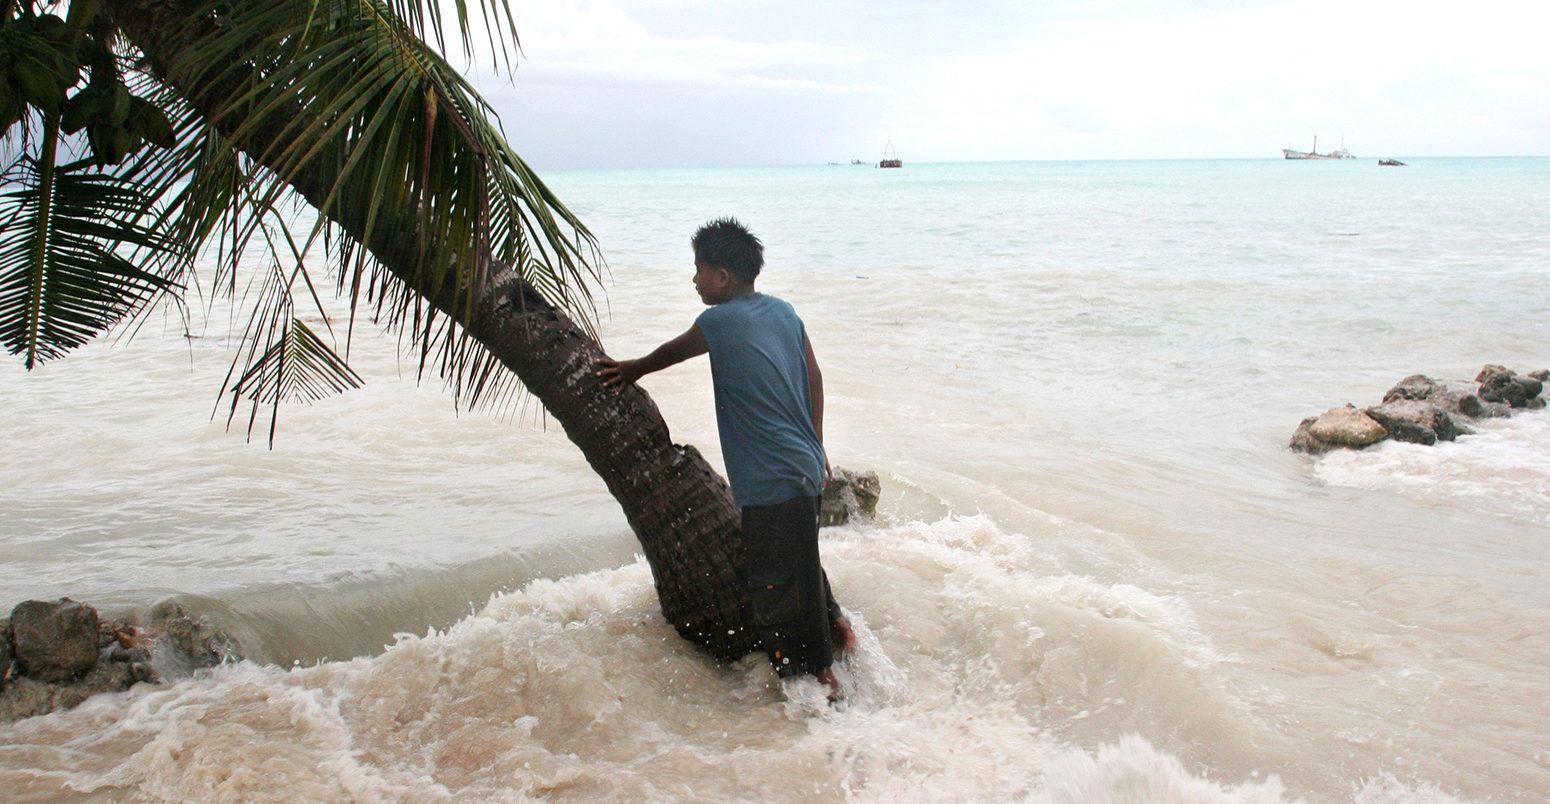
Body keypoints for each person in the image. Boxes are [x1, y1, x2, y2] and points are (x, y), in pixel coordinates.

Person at [597, 217, 856, 697]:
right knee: (800, 558)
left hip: (768, 476)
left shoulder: (718, 320)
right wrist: (817, 443)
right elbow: (815, 378)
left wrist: (629, 370)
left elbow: (672, 353)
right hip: (803, 464)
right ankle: (841, 632)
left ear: (722, 277)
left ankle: (817, 676)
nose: (693, 279)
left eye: (698, 270)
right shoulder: (784, 313)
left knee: (774, 582)